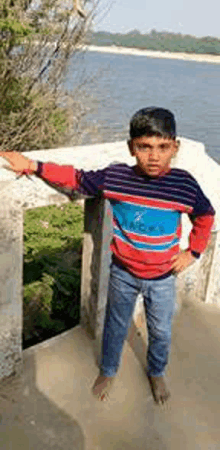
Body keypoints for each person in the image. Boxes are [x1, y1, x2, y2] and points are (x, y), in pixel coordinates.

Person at [0, 107, 215, 405]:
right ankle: (109, 369)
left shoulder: (183, 185)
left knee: (161, 330)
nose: (154, 156)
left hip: (164, 277)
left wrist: (192, 252)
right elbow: (75, 178)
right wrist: (32, 165)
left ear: (175, 148)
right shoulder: (115, 178)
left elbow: (205, 216)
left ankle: (156, 371)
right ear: (131, 147)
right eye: (145, 147)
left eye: (163, 147)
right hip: (123, 273)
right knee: (115, 324)